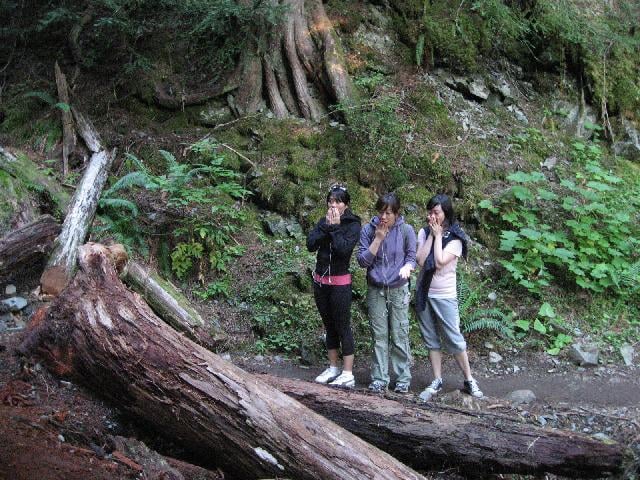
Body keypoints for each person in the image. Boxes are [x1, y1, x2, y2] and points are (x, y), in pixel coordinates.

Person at [415, 194, 483, 401]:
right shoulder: (424, 232)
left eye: (436, 212)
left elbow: (439, 261)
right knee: (430, 338)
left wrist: (437, 237)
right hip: (425, 292)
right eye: (430, 212)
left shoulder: (456, 237)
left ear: (446, 213)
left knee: (454, 338)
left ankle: (469, 379)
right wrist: (430, 236)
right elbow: (419, 259)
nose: (432, 216)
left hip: (445, 294)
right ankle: (437, 378)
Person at [357, 192, 416, 393]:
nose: (384, 217)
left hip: (399, 288)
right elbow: (363, 261)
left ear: (397, 214)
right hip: (376, 288)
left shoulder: (406, 230)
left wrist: (408, 267)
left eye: (388, 213)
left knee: (400, 334)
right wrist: (378, 238)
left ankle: (402, 378)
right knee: (379, 335)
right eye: (381, 212)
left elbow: (412, 256)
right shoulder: (368, 230)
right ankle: (380, 378)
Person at [307, 185, 361, 388]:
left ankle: (348, 372)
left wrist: (336, 228)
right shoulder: (323, 222)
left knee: (342, 325)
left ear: (345, 205)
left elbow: (343, 249)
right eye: (331, 200)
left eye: (338, 201)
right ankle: (333, 366)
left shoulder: (353, 224)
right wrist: (326, 227)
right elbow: (310, 244)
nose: (333, 205)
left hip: (340, 284)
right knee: (328, 325)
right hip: (321, 282)